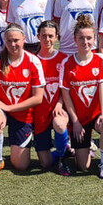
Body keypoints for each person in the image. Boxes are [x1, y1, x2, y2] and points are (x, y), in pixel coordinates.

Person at [0, 23, 47, 176]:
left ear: (24, 39)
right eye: (9, 41)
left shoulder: (33, 61)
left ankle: (19, 146)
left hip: (22, 113)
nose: (13, 44)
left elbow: (38, 98)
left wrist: (8, 108)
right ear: (4, 41)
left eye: (16, 40)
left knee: (20, 165)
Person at [60, 15, 103, 179]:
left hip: (96, 114)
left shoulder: (99, 60)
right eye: (81, 38)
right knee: (82, 167)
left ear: (95, 39)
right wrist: (75, 121)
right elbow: (66, 95)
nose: (85, 42)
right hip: (79, 119)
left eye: (89, 38)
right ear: (75, 39)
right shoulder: (67, 63)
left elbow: (102, 89)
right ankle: (86, 147)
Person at [32, 20, 71, 175]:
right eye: (43, 36)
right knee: (45, 163)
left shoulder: (64, 59)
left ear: (56, 37)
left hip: (58, 109)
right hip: (39, 112)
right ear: (38, 36)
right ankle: (64, 150)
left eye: (50, 36)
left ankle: (62, 159)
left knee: (60, 124)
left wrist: (60, 104)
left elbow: (65, 88)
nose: (47, 39)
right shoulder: (32, 60)